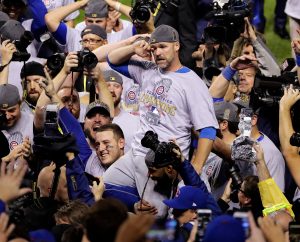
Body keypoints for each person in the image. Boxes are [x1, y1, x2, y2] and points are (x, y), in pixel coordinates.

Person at [103, 24, 219, 216]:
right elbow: (112, 60)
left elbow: (208, 130)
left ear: (177, 46)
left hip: (162, 164)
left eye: (163, 47)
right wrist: (134, 48)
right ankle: (135, 205)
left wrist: (195, 168)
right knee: (104, 186)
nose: (157, 52)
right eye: (154, 48)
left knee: (154, 220)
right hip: (135, 153)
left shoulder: (193, 83)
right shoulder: (147, 69)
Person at [103, 70, 140, 152]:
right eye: (107, 85)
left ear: (122, 90)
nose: (112, 90)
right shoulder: (93, 120)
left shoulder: (135, 121)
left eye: (116, 86)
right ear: (98, 89)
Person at [0, 84, 34, 150]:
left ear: (20, 103)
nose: (7, 117)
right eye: (2, 112)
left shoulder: (32, 122)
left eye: (11, 110)